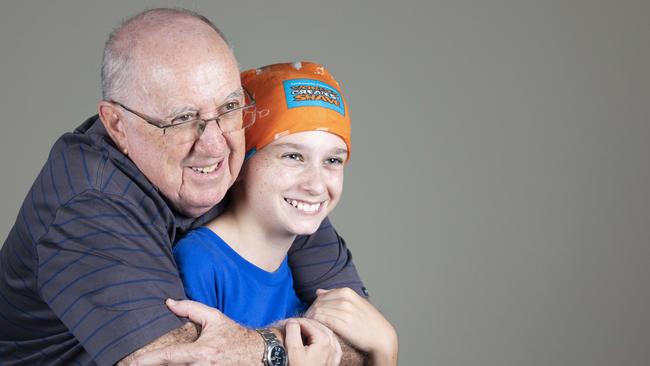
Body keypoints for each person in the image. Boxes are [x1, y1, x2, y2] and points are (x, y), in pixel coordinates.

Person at [0, 8, 367, 366]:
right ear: (116, 125)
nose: (214, 144)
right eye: (182, 119)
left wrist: (348, 347)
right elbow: (181, 360)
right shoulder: (88, 204)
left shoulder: (261, 173)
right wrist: (291, 351)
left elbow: (360, 329)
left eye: (228, 107)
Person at [172, 61, 398, 366]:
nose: (316, 184)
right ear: (239, 160)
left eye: (332, 160)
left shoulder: (302, 278)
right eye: (293, 156)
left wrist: (385, 348)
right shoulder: (201, 263)